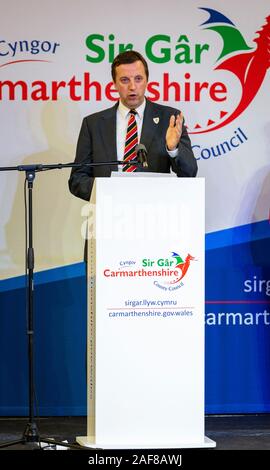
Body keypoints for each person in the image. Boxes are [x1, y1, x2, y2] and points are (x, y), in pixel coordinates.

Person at [68, 50, 197, 201]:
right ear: (114, 84)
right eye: (124, 80)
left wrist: (173, 149)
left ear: (147, 81)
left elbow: (189, 174)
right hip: (109, 212)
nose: (132, 87)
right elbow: (77, 179)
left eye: (138, 79)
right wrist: (109, 190)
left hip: (155, 212)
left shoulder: (169, 119)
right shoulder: (93, 124)